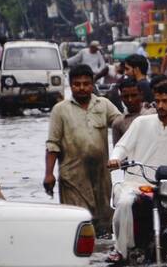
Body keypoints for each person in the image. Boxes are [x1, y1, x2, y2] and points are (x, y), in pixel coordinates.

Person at [107, 81, 167, 264]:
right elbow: (122, 146)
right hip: (135, 183)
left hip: (165, 186)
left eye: (166, 101)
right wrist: (115, 158)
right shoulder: (141, 123)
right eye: (158, 101)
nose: (161, 106)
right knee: (125, 203)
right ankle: (120, 250)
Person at [44, 64, 121, 237]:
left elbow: (122, 125)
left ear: (92, 84)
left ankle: (100, 262)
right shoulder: (60, 110)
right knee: (78, 224)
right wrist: (49, 174)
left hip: (101, 177)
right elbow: (52, 144)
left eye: (86, 83)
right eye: (77, 84)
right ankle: (80, 262)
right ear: (70, 85)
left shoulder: (104, 105)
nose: (81, 88)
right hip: (72, 177)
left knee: (104, 228)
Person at [112, 78, 154, 146]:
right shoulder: (118, 123)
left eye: (134, 95)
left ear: (141, 95)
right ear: (121, 98)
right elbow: (117, 152)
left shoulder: (153, 114)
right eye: (126, 96)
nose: (130, 100)